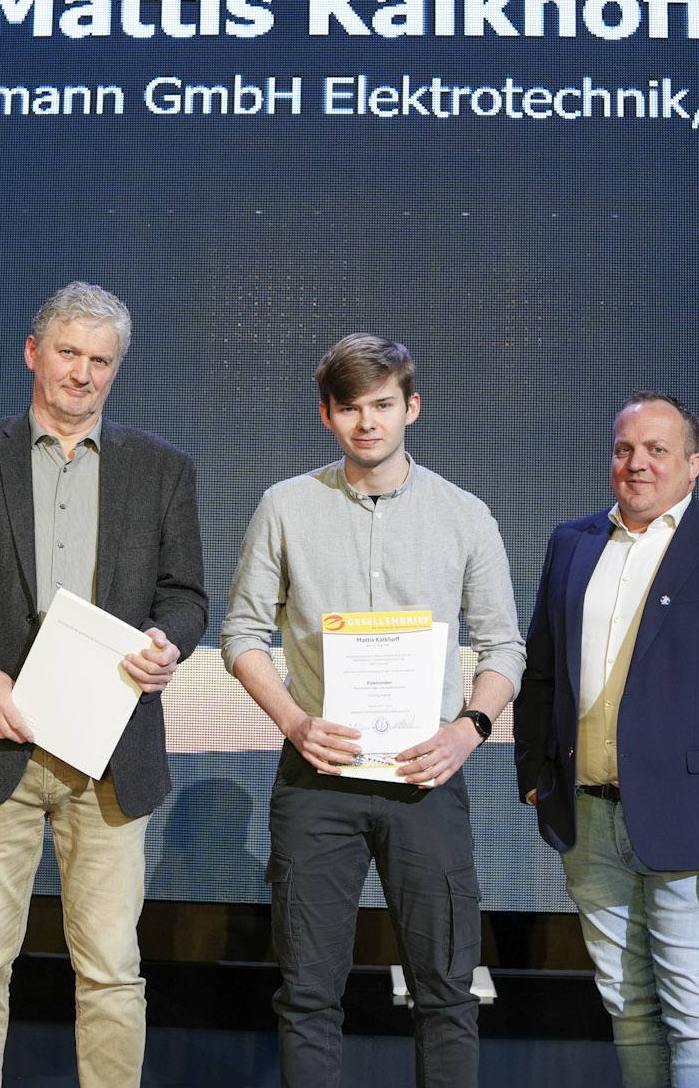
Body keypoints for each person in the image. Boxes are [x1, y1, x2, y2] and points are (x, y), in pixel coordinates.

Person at [0, 281, 206, 1088]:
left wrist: (169, 642)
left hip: (109, 757)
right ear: (33, 352)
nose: (83, 373)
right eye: (68, 352)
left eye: (101, 360)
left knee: (112, 971)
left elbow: (187, 597)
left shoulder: (162, 468)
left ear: (116, 368)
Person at [220, 333, 523, 1088]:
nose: (367, 422)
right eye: (350, 407)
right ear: (326, 413)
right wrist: (294, 721)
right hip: (318, 778)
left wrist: (468, 731)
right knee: (308, 995)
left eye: (383, 404)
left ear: (411, 407)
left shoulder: (465, 515)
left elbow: (504, 648)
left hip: (427, 779)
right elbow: (242, 635)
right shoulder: (285, 507)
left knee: (447, 993)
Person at [514, 391, 699, 1088]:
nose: (637, 463)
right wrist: (536, 776)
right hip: (588, 820)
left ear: (693, 464)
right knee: (630, 1009)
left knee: (696, 1012)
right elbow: (542, 672)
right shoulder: (572, 542)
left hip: (695, 826)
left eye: (656, 449)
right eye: (624, 449)